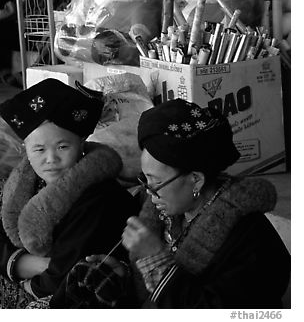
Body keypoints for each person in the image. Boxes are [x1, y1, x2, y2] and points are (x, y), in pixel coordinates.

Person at [53, 99, 290, 308]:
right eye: (144, 180)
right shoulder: (165, 212)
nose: (149, 192)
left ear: (195, 180)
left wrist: (154, 259)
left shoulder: (252, 242)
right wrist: (122, 276)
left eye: (155, 182)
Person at [0, 78, 139, 309]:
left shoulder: (100, 196)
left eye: (63, 147)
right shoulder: (27, 184)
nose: (51, 159)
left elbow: (66, 273)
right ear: (26, 150)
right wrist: (39, 264)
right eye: (39, 149)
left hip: (74, 295)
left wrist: (31, 279)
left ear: (81, 144)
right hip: (37, 279)